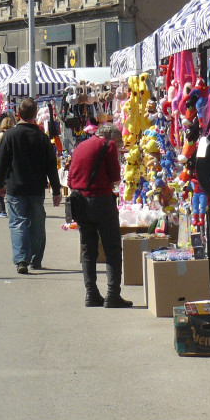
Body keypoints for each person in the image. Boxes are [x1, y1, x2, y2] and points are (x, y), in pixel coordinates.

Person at [0, 98, 61, 275]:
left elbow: (0, 163)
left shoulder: (9, 136)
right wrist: (56, 190)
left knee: (18, 223)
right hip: (36, 188)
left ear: (18, 114)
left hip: (15, 187)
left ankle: (21, 259)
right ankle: (35, 259)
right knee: (37, 223)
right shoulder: (42, 138)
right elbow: (51, 166)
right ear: (35, 114)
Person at [68, 123, 131, 308]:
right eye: (119, 142)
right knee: (112, 248)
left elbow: (71, 178)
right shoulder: (107, 145)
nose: (119, 146)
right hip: (102, 200)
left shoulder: (81, 145)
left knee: (88, 249)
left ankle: (91, 294)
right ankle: (112, 295)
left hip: (80, 201)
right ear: (112, 138)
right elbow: (115, 177)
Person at [0, 113, 16, 218]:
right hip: (12, 164)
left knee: (0, 186)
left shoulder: (0, 135)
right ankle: (12, 209)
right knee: (10, 188)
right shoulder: (14, 134)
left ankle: (2, 210)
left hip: (2, 162)